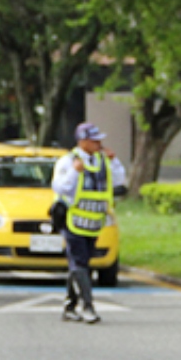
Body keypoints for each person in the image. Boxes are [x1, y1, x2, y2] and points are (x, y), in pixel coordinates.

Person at [51, 122, 124, 323]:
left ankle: (70, 306)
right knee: (79, 262)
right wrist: (75, 172)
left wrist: (114, 162)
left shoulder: (103, 160)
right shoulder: (68, 161)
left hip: (93, 221)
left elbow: (118, 181)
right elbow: (60, 187)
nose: (99, 143)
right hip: (72, 220)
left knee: (81, 264)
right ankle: (87, 306)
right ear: (82, 142)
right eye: (94, 140)